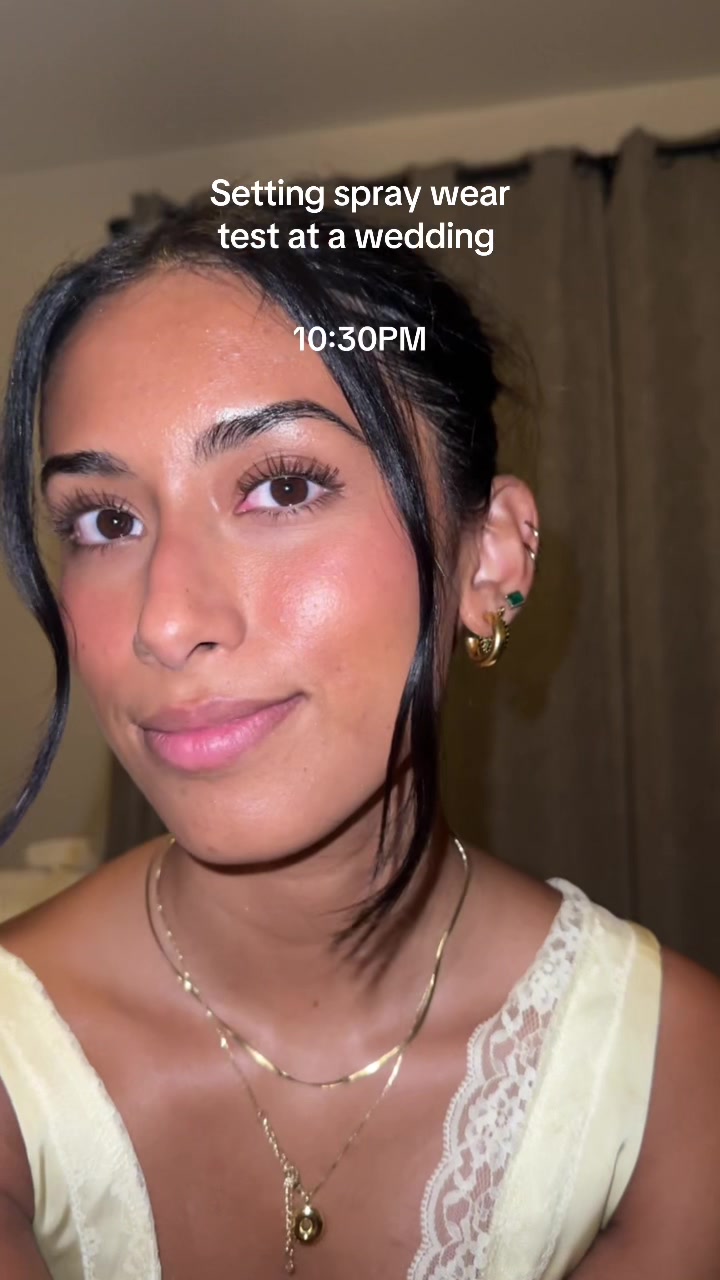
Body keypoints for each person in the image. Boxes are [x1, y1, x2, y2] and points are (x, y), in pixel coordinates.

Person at [0, 203, 718, 1280]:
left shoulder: (675, 1078)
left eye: (282, 487)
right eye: (106, 520)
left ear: (489, 562)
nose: (164, 620)